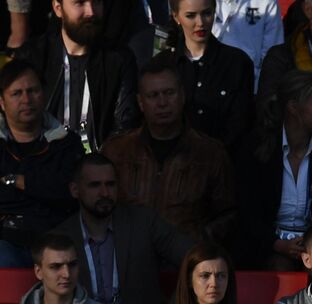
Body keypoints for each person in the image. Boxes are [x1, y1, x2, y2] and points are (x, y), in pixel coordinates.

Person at [0, 59, 82, 268]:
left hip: (54, 241)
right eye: (17, 93)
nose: (27, 99)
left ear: (44, 94)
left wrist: (20, 181)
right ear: (1, 102)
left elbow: (70, 193)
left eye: (33, 90)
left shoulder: (67, 144)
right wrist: (43, 199)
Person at [102, 54, 239, 244]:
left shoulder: (210, 153)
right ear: (140, 103)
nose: (162, 103)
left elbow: (228, 215)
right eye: (153, 95)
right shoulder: (117, 152)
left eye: (169, 93)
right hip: (130, 261)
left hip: (187, 263)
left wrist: (197, 241)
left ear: (182, 95)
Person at [55, 154, 195, 304]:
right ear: (75, 190)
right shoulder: (61, 237)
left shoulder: (144, 222)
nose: (105, 193)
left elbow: (197, 259)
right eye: (95, 185)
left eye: (110, 184)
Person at [15, 0, 138, 150]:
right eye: (79, 3)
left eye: (97, 2)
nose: (91, 12)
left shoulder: (118, 59)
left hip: (101, 167)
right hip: (43, 166)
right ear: (58, 8)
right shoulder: (32, 57)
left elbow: (124, 129)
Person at [241, 71, 312, 271]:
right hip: (267, 247)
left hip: (310, 245)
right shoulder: (257, 149)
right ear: (293, 107)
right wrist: (278, 244)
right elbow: (247, 214)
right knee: (279, 267)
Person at [165, 5, 256, 152]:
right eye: (190, 15)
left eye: (207, 13)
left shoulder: (237, 63)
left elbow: (241, 124)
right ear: (176, 16)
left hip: (224, 163)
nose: (200, 22)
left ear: (214, 12)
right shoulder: (163, 64)